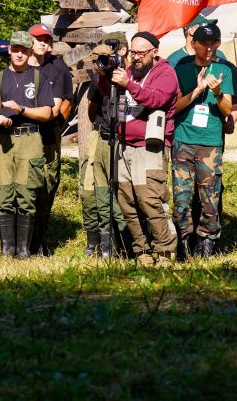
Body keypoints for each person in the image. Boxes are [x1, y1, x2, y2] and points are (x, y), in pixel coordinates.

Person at [103, 32, 180, 265]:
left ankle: (165, 251)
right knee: (127, 202)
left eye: (141, 53)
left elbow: (155, 99)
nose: (135, 57)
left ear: (154, 52)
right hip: (124, 145)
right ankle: (142, 251)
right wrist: (105, 76)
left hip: (150, 147)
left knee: (150, 200)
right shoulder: (127, 72)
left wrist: (129, 85)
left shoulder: (166, 73)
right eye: (133, 53)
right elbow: (113, 100)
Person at [0, 30, 55, 258]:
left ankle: (23, 250)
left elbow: (47, 113)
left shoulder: (39, 77)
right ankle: (7, 249)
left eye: (24, 50)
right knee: (4, 193)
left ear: (30, 51)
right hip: (4, 139)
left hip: (30, 138)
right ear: (9, 49)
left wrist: (22, 109)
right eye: (16, 49)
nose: (19, 54)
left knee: (26, 194)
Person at [172, 22, 235, 259]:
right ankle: (182, 242)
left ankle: (207, 242)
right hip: (183, 140)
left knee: (210, 197)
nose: (209, 48)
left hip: (210, 142)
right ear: (193, 43)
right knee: (181, 197)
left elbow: (228, 109)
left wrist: (217, 92)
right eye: (204, 43)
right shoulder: (182, 67)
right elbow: (174, 106)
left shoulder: (224, 70)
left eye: (213, 43)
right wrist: (197, 91)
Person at [27, 22, 73, 256]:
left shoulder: (59, 68)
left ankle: (39, 241)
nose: (43, 43)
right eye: (39, 39)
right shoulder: (20, 63)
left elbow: (66, 100)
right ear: (29, 41)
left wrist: (57, 125)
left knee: (47, 187)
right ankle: (22, 242)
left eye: (47, 40)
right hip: (23, 136)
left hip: (48, 137)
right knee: (25, 188)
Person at [82, 42, 128, 258]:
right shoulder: (98, 79)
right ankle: (103, 245)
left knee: (120, 193)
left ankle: (124, 244)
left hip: (123, 137)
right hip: (102, 135)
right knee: (98, 191)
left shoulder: (127, 76)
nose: (102, 63)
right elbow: (92, 111)